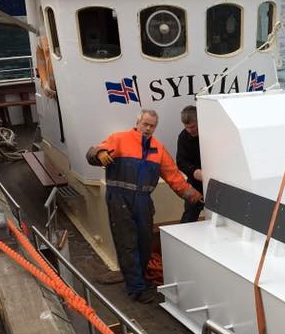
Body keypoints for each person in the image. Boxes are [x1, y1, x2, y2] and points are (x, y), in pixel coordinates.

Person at [86, 109, 203, 303]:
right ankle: (136, 288)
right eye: (145, 124)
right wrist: (99, 153)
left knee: (144, 242)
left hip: (143, 200)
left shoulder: (158, 149)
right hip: (119, 199)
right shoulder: (119, 139)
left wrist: (195, 197)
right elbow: (93, 152)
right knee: (127, 242)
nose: (148, 128)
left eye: (152, 126)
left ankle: (139, 280)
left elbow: (174, 178)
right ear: (138, 123)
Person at [175, 105, 204, 223]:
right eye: (187, 127)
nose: (190, 130)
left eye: (193, 126)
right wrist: (194, 171)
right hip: (195, 184)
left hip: (216, 182)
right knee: (189, 217)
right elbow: (180, 161)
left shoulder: (211, 131)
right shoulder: (183, 137)